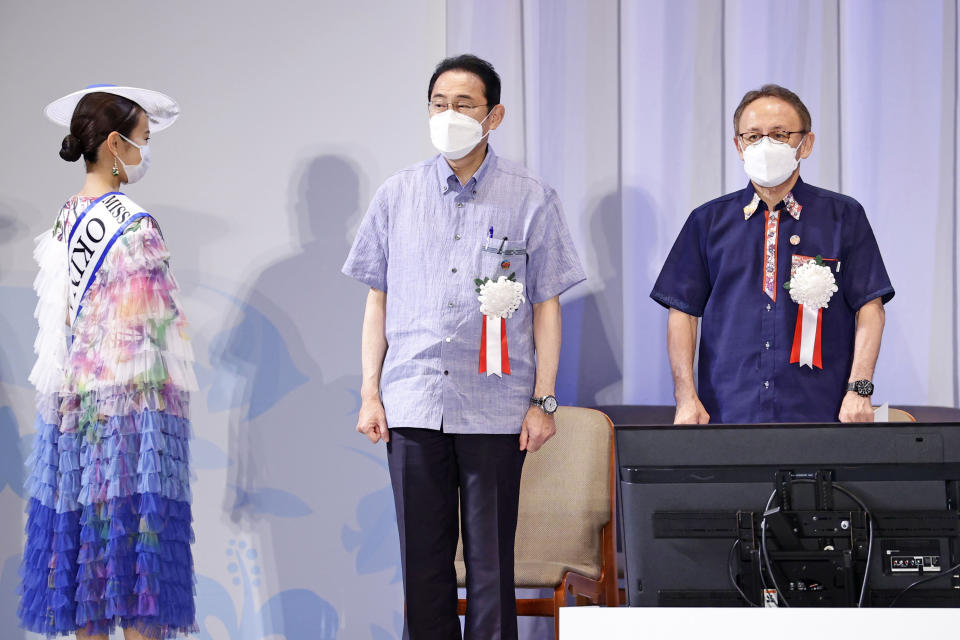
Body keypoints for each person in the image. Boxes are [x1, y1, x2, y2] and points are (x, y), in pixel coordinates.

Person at [342, 54, 585, 639]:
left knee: (490, 566)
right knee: (422, 567)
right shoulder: (397, 194)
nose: (449, 115)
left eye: (464, 105)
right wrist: (370, 394)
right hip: (414, 402)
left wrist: (543, 401)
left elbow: (547, 305)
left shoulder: (531, 196)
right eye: (439, 104)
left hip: (497, 407)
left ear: (493, 115)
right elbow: (377, 300)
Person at [19, 86, 197, 639]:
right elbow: (155, 334)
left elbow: (56, 328)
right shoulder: (134, 225)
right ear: (115, 145)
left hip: (72, 416)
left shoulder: (63, 221)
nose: (145, 154)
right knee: (136, 554)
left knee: (86, 564)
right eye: (142, 141)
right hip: (129, 418)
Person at [651, 84, 893, 425]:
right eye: (753, 136)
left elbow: (871, 307)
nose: (765, 146)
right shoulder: (707, 221)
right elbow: (683, 314)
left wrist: (860, 389)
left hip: (821, 409)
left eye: (780, 135)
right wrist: (685, 396)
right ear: (738, 146)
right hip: (727, 411)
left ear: (805, 143)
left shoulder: (843, 216)